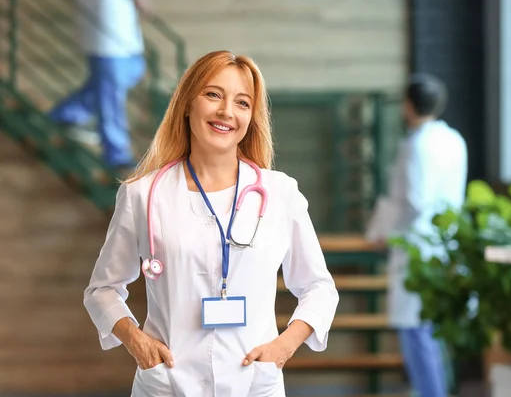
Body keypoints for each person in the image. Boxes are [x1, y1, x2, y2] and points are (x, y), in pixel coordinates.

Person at [83, 50, 339, 396]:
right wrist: (136, 341)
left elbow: (319, 288)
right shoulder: (142, 195)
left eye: (242, 102)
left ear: (252, 117)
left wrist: (283, 347)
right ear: (187, 104)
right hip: (167, 384)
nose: (226, 112)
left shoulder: (280, 193)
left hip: (253, 383)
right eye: (213, 94)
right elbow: (102, 290)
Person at [367, 74, 468, 397]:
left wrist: (387, 234)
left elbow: (414, 201)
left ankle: (431, 393)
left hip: (415, 247)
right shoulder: (454, 140)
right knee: (432, 331)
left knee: (416, 332)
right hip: (444, 242)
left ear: (408, 105)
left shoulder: (416, 146)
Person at [48, 0, 151, 169]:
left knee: (132, 72)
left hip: (124, 31)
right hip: (106, 32)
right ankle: (117, 154)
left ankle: (66, 114)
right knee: (109, 95)